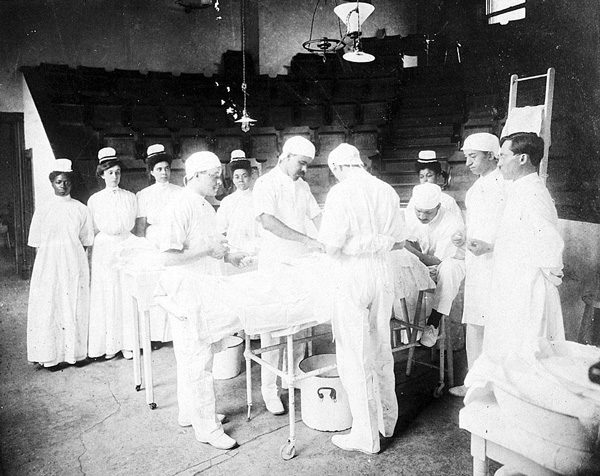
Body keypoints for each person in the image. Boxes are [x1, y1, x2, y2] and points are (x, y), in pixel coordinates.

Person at [319, 143, 406, 454]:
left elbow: (331, 246)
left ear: (337, 168)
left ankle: (365, 436)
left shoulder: (340, 193)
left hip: (352, 272)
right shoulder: (387, 190)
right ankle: (387, 422)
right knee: (381, 345)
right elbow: (399, 240)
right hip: (382, 270)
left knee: (354, 354)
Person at [157, 151, 247, 450]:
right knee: (198, 360)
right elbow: (169, 257)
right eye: (214, 176)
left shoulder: (205, 206)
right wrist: (208, 249)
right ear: (194, 176)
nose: (219, 182)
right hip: (187, 291)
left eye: (220, 176)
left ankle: (190, 413)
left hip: (204, 288)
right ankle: (207, 427)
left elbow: (211, 246)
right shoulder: (180, 207)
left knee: (193, 358)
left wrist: (229, 255)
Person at [252, 135, 325, 415]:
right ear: (285, 157)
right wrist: (307, 240)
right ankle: (270, 390)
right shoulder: (265, 184)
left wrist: (331, 239)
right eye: (301, 163)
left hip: (301, 264)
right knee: (272, 329)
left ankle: (293, 375)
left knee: (300, 324)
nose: (304, 169)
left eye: (307, 165)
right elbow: (269, 222)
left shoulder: (302, 185)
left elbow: (317, 217)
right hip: (275, 263)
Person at [478, 132, 565, 361]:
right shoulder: (519, 189)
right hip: (513, 285)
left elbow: (550, 247)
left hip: (527, 289)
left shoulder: (533, 194)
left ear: (523, 158)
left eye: (503, 156)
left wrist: (529, 282)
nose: (499, 162)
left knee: (526, 355)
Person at [448, 133, 505, 397]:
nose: (468, 163)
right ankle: (475, 384)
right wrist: (463, 238)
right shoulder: (474, 189)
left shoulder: (505, 186)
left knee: (493, 325)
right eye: (466, 157)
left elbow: (512, 230)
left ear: (491, 156)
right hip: (477, 265)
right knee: (474, 323)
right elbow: (476, 228)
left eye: (473, 156)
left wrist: (491, 246)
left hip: (497, 265)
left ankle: (495, 387)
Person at [27, 158, 94, 368]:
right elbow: (36, 242)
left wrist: (75, 262)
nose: (63, 185)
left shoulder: (81, 209)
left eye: (67, 182)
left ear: (72, 183)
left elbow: (85, 240)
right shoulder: (44, 209)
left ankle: (75, 354)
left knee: (73, 304)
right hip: (48, 263)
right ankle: (50, 356)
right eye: (59, 182)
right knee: (49, 306)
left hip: (73, 262)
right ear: (52, 183)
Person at [87, 147, 137, 360]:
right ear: (102, 174)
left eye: (117, 172)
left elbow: (133, 225)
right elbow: (92, 228)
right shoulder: (94, 199)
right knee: (107, 293)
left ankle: (128, 345)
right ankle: (108, 345)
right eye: (110, 173)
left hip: (126, 243)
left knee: (126, 293)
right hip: (105, 247)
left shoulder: (130, 197)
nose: (115, 177)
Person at [405, 182, 466, 347]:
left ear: (438, 207)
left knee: (449, 269)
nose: (422, 217)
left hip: (449, 262)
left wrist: (411, 251)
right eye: (419, 211)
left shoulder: (452, 222)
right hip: (424, 260)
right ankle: (404, 328)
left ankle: (433, 323)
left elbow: (438, 260)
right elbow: (404, 241)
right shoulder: (410, 214)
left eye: (428, 213)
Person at [134, 144, 182, 344]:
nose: (164, 173)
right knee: (155, 286)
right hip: (154, 240)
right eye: (159, 169)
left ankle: (174, 333)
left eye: (167, 168)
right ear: (152, 172)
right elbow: (141, 227)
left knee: (174, 283)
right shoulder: (143, 195)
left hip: (174, 238)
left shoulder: (180, 192)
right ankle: (155, 335)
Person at [216, 150, 260, 260]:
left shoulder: (258, 199)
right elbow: (221, 228)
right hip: (233, 252)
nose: (240, 180)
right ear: (233, 179)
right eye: (237, 177)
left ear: (250, 177)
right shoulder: (227, 201)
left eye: (244, 176)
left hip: (255, 250)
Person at [405, 150, 462, 219]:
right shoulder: (414, 200)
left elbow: (457, 223)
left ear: (437, 176)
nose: (425, 180)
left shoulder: (448, 201)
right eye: (421, 177)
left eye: (429, 176)